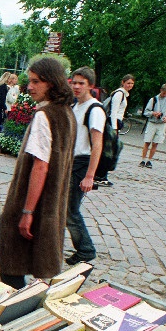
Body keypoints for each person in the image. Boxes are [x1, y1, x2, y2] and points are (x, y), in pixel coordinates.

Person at [0, 57, 76, 289]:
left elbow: (41, 166)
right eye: (29, 81)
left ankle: (21, 308)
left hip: (34, 203)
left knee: (12, 266)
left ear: (51, 83)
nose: (29, 87)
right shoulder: (67, 113)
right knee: (37, 262)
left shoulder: (45, 116)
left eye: (36, 82)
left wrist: (27, 211)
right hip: (52, 204)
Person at [66, 67, 104, 266]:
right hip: (71, 162)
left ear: (90, 85)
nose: (77, 86)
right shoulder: (76, 106)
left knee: (70, 210)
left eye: (81, 83)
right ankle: (83, 248)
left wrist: (90, 175)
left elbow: (97, 144)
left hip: (82, 163)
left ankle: (86, 249)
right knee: (66, 208)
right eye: (74, 82)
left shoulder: (94, 109)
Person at [95, 74, 134, 187]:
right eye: (128, 83)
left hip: (115, 123)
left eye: (131, 83)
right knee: (108, 152)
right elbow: (114, 112)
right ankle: (101, 175)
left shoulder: (123, 94)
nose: (130, 85)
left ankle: (101, 175)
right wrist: (114, 129)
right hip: (112, 124)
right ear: (123, 82)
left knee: (109, 151)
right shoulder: (119, 94)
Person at [140, 83, 166, 168]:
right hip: (152, 122)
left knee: (156, 143)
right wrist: (153, 113)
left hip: (162, 124)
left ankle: (149, 160)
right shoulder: (153, 99)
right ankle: (143, 159)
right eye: (163, 92)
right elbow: (146, 112)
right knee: (147, 141)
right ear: (161, 90)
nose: (164, 94)